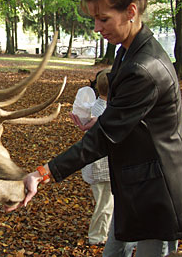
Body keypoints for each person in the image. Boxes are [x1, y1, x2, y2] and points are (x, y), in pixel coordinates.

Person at [14, 0, 182, 257]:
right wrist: (106, 119)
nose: (97, 28)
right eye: (94, 19)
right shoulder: (129, 50)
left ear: (130, 12)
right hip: (134, 184)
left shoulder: (144, 66)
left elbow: (103, 138)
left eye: (103, 19)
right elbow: (126, 113)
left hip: (158, 191)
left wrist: (43, 173)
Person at [79, 69, 113, 245]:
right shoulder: (106, 111)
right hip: (102, 166)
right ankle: (98, 237)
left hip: (98, 164)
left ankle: (106, 232)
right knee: (105, 204)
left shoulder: (94, 106)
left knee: (105, 202)